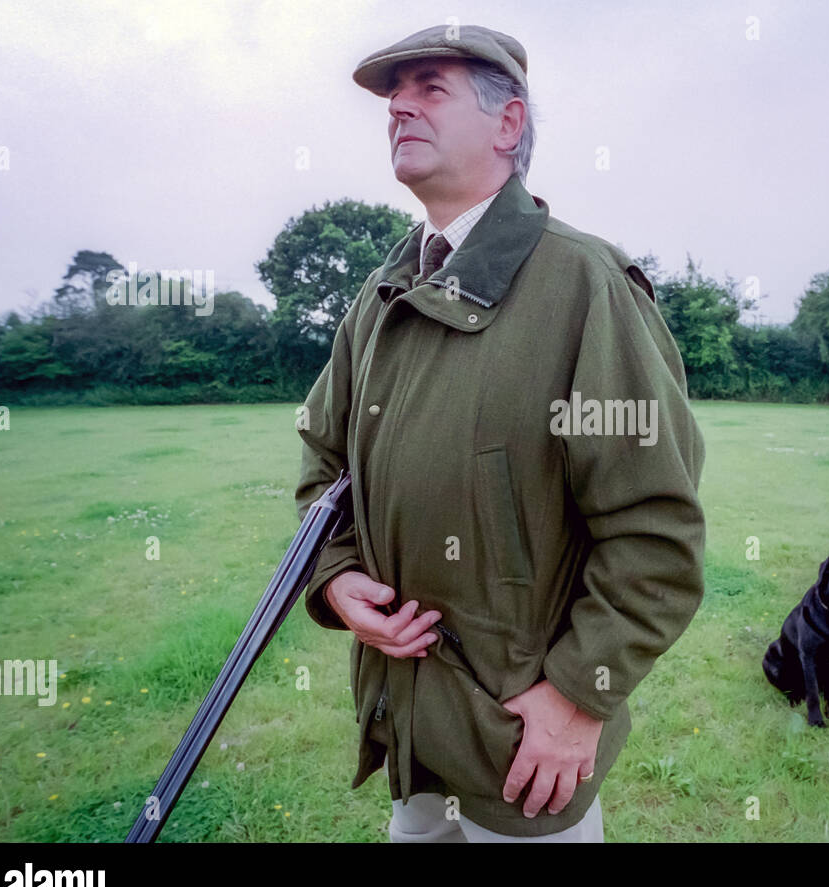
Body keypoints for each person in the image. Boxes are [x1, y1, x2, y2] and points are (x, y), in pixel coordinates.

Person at [294, 24, 706, 842]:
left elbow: (654, 533)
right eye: (393, 94)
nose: (398, 107)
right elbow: (323, 462)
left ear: (508, 125)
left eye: (429, 86)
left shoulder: (583, 284)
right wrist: (337, 579)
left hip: (526, 752)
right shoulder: (382, 294)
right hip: (412, 726)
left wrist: (577, 697)